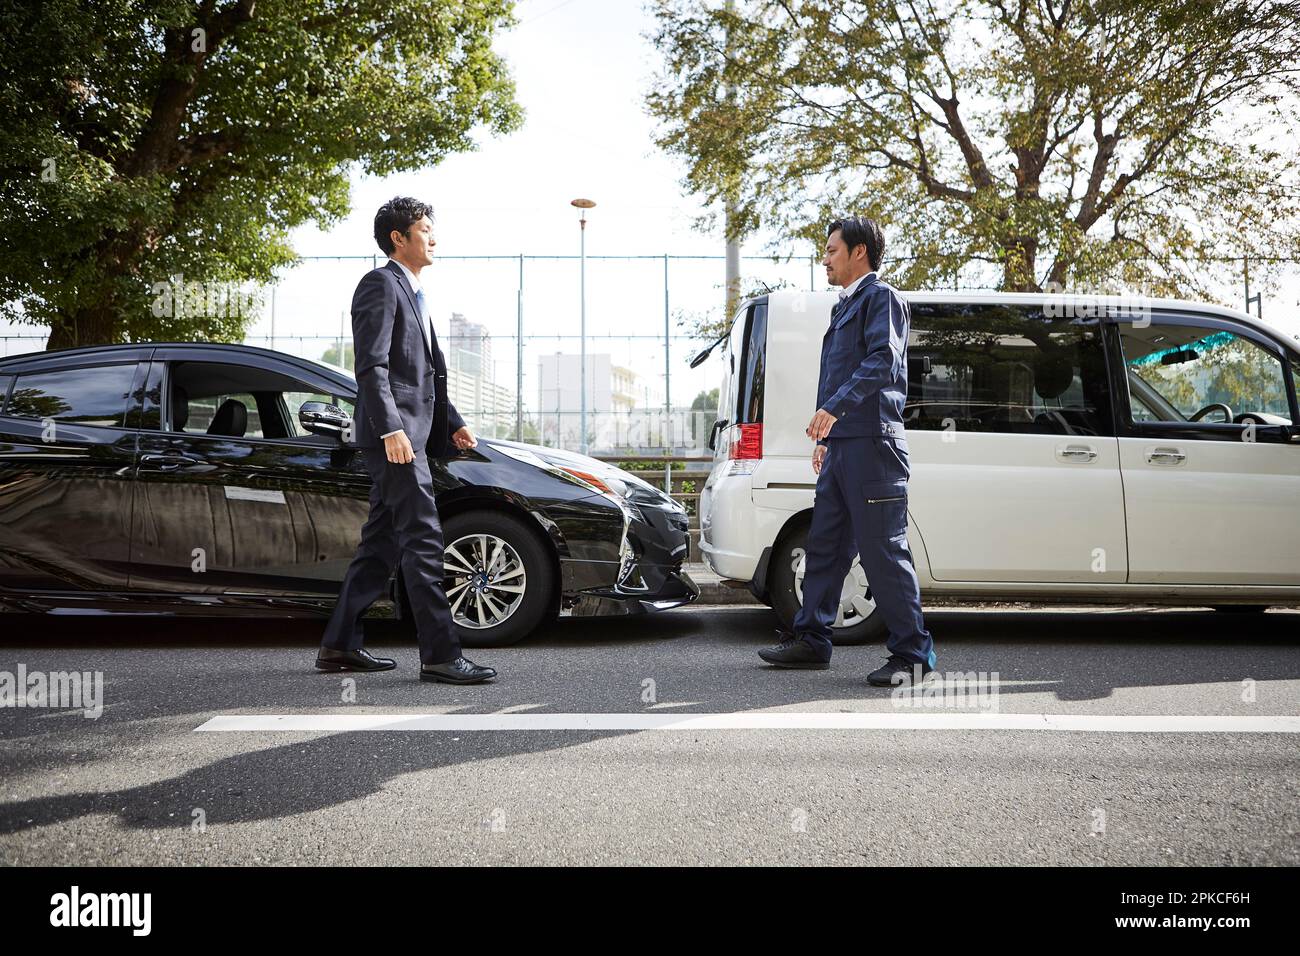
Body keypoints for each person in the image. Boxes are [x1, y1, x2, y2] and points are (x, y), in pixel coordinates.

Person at [316, 196, 496, 684]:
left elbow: (425, 373)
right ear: (399, 237)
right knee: (423, 537)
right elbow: (372, 367)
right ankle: (440, 654)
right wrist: (393, 428)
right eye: (424, 229)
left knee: (381, 543)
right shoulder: (380, 284)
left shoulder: (414, 292)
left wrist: (453, 419)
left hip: (411, 433)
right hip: (395, 437)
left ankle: (338, 645)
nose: (433, 238)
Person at [757, 215, 936, 686]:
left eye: (832, 250)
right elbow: (837, 374)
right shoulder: (843, 307)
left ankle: (913, 655)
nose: (825, 258)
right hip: (843, 446)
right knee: (826, 547)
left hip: (874, 445)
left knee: (882, 552)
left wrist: (833, 411)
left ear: (860, 252)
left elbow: (882, 361)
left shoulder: (883, 299)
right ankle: (812, 640)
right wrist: (826, 435)